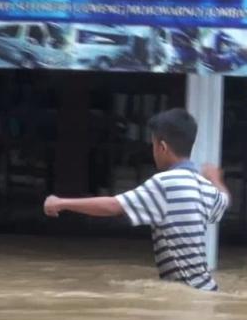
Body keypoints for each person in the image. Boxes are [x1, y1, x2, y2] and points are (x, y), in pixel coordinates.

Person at [43, 108, 230, 292]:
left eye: (153, 145)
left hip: (189, 292)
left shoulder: (164, 184)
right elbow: (224, 199)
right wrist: (215, 179)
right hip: (207, 289)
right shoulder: (203, 186)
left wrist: (61, 202)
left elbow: (113, 206)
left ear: (162, 147)